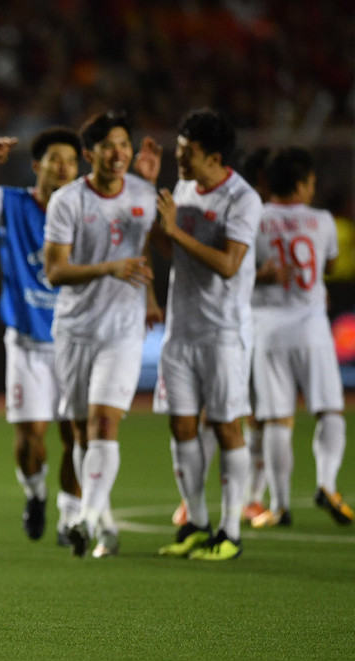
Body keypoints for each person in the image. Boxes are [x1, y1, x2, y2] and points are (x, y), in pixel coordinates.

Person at [0, 128, 83, 544]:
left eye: (71, 160)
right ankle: (36, 494)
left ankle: (70, 518)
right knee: (30, 440)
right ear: (38, 163)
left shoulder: (85, 209)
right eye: (56, 158)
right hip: (27, 342)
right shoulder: (14, 202)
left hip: (76, 341)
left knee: (76, 435)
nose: (64, 166)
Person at [42, 111, 160, 558]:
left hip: (123, 330)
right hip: (75, 329)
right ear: (89, 153)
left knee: (103, 422)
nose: (119, 153)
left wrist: (147, 296)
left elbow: (147, 248)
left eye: (124, 145)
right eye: (109, 145)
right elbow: (55, 270)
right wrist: (110, 267)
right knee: (77, 432)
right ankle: (104, 520)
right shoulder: (68, 201)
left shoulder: (144, 194)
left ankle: (85, 520)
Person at [152, 108, 262, 561]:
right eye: (178, 151)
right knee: (181, 424)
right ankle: (196, 522)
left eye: (187, 153)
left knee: (225, 425)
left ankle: (230, 531)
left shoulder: (242, 198)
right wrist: (163, 231)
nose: (179, 159)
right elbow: (173, 250)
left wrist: (176, 231)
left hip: (223, 331)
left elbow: (228, 265)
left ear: (215, 157)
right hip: (180, 329)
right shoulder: (183, 187)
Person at [247, 146, 354, 528]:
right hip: (311, 326)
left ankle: (278, 506)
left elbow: (236, 269)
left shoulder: (254, 217)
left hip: (267, 329)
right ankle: (326, 483)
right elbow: (328, 264)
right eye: (310, 182)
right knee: (330, 411)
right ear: (301, 182)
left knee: (277, 419)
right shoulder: (323, 220)